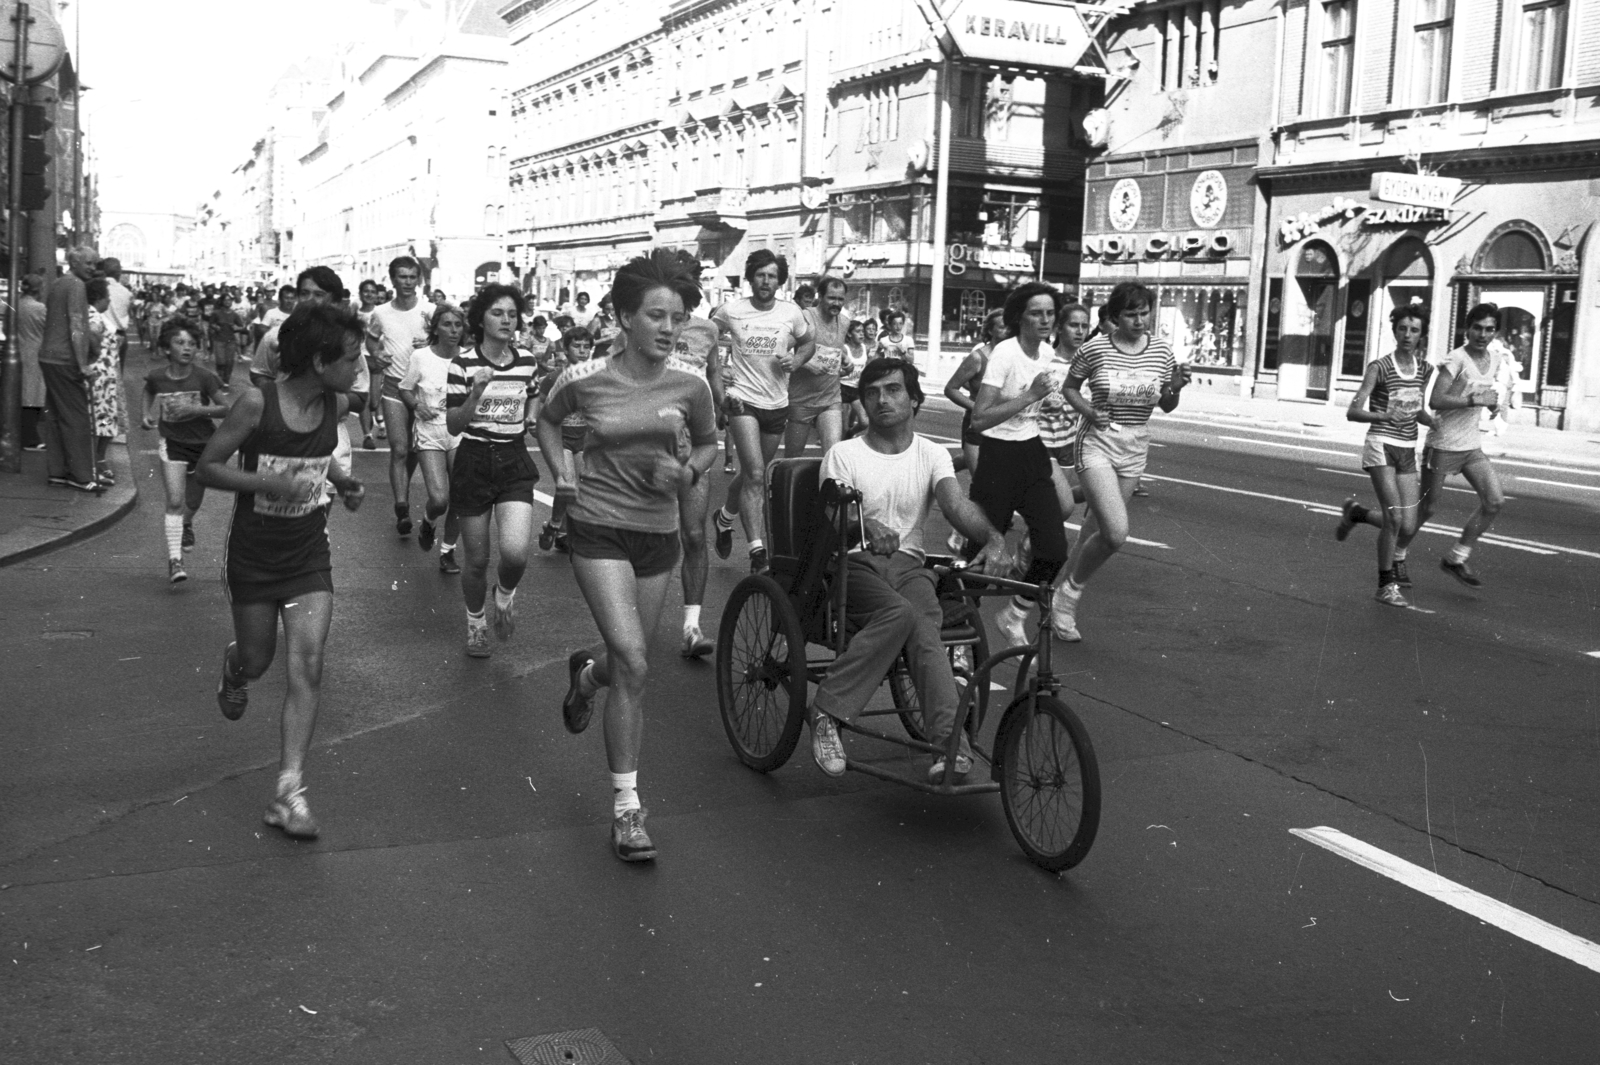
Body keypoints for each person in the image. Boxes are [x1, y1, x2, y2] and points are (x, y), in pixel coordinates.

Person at [540, 248, 718, 862]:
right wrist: (561, 471)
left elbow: (711, 444)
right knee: (638, 663)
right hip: (598, 528)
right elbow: (546, 419)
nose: (670, 329)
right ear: (623, 317)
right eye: (656, 316)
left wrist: (688, 469)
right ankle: (627, 810)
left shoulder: (691, 385)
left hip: (657, 535)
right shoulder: (585, 379)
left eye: (678, 317)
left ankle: (586, 680)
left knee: (624, 664)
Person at [198, 302, 366, 840]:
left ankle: (288, 792)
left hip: (307, 555)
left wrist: (343, 482)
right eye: (350, 358)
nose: (356, 369)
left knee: (308, 664)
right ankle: (233, 666)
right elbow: (209, 466)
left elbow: (319, 457)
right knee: (257, 659)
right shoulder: (255, 403)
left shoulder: (335, 403)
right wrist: (271, 484)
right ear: (319, 359)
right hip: (253, 556)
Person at [811, 357, 1012, 782]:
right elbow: (833, 516)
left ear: (915, 399)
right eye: (872, 392)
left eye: (893, 389)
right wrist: (865, 524)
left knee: (924, 626)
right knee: (900, 615)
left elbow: (957, 507)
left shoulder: (931, 454)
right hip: (855, 564)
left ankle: (949, 746)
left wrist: (995, 540)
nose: (882, 399)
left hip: (909, 566)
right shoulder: (843, 454)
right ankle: (828, 711)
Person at [1056, 281, 1189, 641]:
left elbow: (1166, 404)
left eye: (1144, 312)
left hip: (1135, 443)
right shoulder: (1096, 349)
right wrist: (1090, 411)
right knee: (1115, 533)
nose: (1139, 320)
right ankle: (1068, 596)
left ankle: (1053, 602)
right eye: (1131, 314)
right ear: (1114, 317)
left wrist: (1175, 387)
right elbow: (1069, 387)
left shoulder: (1161, 352)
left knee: (1091, 532)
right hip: (1097, 440)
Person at [965, 283, 1071, 649]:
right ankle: (959, 633)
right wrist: (1031, 396)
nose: (1045, 320)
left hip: (1031, 452)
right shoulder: (1005, 354)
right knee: (980, 556)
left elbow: (1035, 406)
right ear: (1018, 318)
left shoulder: (1046, 353)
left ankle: (1014, 613)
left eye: (1050, 313)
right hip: (997, 457)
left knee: (1055, 550)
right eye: (1036, 313)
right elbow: (979, 419)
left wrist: (1046, 405)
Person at [445, 284, 541, 658]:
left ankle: (503, 594)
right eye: (498, 313)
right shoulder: (463, 364)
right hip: (473, 460)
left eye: (512, 314)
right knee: (478, 560)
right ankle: (475, 622)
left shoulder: (527, 360)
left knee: (515, 554)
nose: (506, 320)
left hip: (513, 459)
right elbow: (453, 425)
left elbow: (532, 392)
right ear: (481, 319)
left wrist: (531, 415)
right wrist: (475, 394)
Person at [709, 249, 814, 574]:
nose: (765, 281)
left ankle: (724, 518)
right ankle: (757, 551)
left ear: (779, 280)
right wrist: (718, 376)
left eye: (771, 275)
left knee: (755, 472)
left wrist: (797, 360)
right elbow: (705, 338)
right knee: (755, 473)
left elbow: (809, 342)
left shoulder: (791, 312)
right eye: (760, 275)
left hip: (776, 403)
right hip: (743, 401)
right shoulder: (732, 310)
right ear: (751, 277)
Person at [1334, 305, 1434, 607]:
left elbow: (1417, 411)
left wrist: (1435, 422)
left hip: (1407, 449)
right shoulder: (1379, 367)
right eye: (1402, 328)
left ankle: (1357, 514)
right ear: (1394, 331)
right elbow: (1353, 411)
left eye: (1414, 330)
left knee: (1406, 524)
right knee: (1393, 518)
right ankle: (1385, 585)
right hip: (1380, 444)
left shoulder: (1425, 370)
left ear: (1421, 335)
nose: (1407, 335)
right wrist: (1381, 415)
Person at [1418, 303, 1510, 588]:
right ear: (1467, 329)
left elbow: (1485, 392)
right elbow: (1436, 400)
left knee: (1494, 502)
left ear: (1496, 331)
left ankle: (1456, 558)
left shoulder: (1494, 359)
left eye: (1489, 329)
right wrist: (1472, 401)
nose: (1483, 334)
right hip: (1443, 443)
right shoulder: (1455, 359)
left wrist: (1495, 405)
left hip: (1470, 445)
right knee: (1424, 511)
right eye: (1477, 328)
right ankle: (1363, 518)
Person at [141, 318, 228, 583]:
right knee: (175, 501)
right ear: (167, 348)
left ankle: (187, 524)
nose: (186, 348)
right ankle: (175, 560)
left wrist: (196, 410)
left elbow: (226, 408)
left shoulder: (204, 377)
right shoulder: (157, 376)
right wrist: (145, 413)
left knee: (192, 503)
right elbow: (148, 390)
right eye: (179, 343)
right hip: (173, 443)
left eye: (191, 343)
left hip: (203, 445)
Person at [367, 257, 432, 536]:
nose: (407, 282)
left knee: (415, 450)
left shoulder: (430, 311)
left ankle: (403, 490)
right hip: (394, 387)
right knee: (400, 448)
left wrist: (432, 342)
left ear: (418, 279)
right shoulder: (381, 313)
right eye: (401, 277)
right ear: (392, 280)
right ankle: (402, 507)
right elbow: (371, 339)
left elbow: (451, 339)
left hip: (423, 388)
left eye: (411, 277)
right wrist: (377, 353)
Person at [399, 301, 466, 574]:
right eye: (447, 324)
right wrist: (417, 405)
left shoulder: (468, 357)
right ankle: (429, 520)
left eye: (458, 325)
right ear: (435, 327)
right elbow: (404, 389)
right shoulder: (421, 357)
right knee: (440, 500)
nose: (453, 330)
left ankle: (448, 552)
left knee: (461, 497)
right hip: (429, 432)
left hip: (459, 433)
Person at [671, 315, 721, 658]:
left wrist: (722, 401)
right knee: (642, 538)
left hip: (693, 441)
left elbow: (714, 372)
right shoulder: (644, 322)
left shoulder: (708, 329)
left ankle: (692, 627)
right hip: (647, 443)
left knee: (694, 536)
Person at [38, 246, 101, 491]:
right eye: (89, 264)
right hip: (65, 359)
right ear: (75, 263)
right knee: (76, 418)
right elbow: (76, 322)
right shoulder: (76, 285)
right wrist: (83, 363)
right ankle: (81, 474)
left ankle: (58, 471)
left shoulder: (58, 283)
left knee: (54, 416)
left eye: (95, 264)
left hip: (49, 356)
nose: (93, 269)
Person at [536, 326, 596, 554]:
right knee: (566, 484)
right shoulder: (554, 377)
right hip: (560, 440)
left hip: (583, 440)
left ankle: (562, 532)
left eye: (586, 347)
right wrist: (536, 422)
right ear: (565, 348)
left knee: (581, 490)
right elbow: (538, 401)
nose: (582, 351)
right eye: (576, 346)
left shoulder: (594, 377)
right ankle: (553, 525)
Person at [785, 274, 850, 458]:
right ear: (820, 297)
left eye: (840, 299)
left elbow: (834, 348)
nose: (836, 303)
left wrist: (846, 361)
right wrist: (807, 363)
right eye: (831, 298)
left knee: (833, 456)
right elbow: (783, 347)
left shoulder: (844, 322)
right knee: (793, 458)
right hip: (802, 399)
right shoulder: (806, 317)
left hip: (830, 398)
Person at [944, 309, 1007, 478]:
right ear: (989, 330)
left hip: (1005, 424)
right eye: (1002, 326)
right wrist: (976, 406)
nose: (1007, 330)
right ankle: (937, 479)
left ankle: (937, 476)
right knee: (985, 480)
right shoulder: (978, 358)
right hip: (978, 424)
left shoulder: (1015, 357)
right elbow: (951, 388)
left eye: (1010, 326)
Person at [86, 278, 128, 487]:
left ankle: (98, 460)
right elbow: (93, 332)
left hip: (107, 374)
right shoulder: (92, 314)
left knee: (106, 422)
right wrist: (97, 351)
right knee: (100, 422)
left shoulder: (97, 314)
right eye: (107, 297)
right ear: (99, 298)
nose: (109, 300)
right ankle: (93, 464)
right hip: (100, 376)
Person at [17, 274, 47, 450]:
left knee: (22, 392)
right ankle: (29, 437)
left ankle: (26, 434)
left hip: (19, 349)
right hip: (36, 352)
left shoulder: (17, 304)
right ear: (39, 289)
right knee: (34, 395)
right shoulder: (39, 308)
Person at [356, 279, 384, 447]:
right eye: (365, 291)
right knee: (364, 399)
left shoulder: (382, 313)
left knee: (374, 401)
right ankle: (367, 435)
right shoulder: (355, 314)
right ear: (360, 294)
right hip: (361, 359)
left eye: (372, 292)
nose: (369, 294)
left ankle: (378, 420)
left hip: (377, 359)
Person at [101, 258, 135, 371]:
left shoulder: (97, 288)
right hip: (121, 335)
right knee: (118, 373)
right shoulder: (127, 293)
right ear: (119, 273)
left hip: (102, 335)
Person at [840, 318, 869, 437]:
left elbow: (865, 367)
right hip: (842, 388)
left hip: (856, 389)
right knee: (844, 426)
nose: (862, 334)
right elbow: (836, 370)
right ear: (849, 334)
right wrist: (846, 372)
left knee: (864, 422)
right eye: (858, 331)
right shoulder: (844, 349)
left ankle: (850, 434)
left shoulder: (865, 348)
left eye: (862, 331)